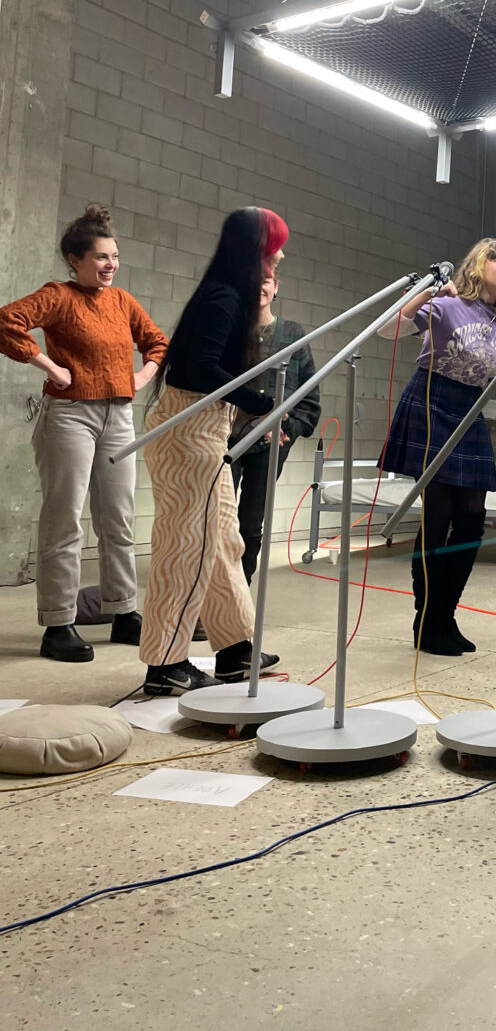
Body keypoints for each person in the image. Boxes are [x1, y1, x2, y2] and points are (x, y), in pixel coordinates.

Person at [0, 204, 168, 662]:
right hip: (69, 417)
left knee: (118, 518)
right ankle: (58, 624)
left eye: (114, 256)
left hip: (119, 418)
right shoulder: (58, 295)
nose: (110, 264)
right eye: (101, 257)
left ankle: (124, 612)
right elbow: (6, 321)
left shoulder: (122, 301)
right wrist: (49, 365)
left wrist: (144, 374)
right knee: (65, 520)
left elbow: (157, 341)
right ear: (76, 259)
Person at [138, 207, 288, 696]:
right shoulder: (223, 297)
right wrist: (263, 405)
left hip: (208, 430)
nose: (280, 257)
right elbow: (196, 369)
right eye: (274, 249)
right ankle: (165, 664)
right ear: (255, 252)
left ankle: (234, 649)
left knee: (223, 543)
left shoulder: (232, 296)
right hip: (188, 432)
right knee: (188, 549)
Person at [379, 237, 496, 656]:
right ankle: (427, 619)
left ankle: (444, 614)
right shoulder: (449, 304)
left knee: (472, 519)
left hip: (470, 411)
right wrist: (427, 294)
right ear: (477, 266)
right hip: (432, 401)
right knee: (438, 514)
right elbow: (389, 329)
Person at [229, 270, 320, 586]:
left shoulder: (294, 335)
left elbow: (310, 398)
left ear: (276, 286)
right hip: (225, 439)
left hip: (270, 445)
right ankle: (211, 595)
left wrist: (289, 428)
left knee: (251, 522)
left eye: (265, 281)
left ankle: (239, 594)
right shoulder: (228, 332)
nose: (259, 287)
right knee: (217, 521)